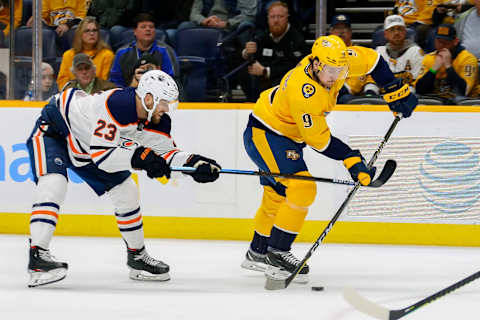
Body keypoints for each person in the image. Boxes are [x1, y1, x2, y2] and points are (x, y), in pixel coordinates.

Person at [240, 35, 417, 283]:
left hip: (285, 136)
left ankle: (258, 252)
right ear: (315, 64)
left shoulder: (339, 61)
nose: (336, 75)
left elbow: (374, 61)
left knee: (277, 195)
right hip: (266, 134)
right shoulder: (304, 91)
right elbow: (320, 141)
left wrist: (393, 89)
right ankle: (277, 253)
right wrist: (351, 158)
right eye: (331, 70)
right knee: (302, 187)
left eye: (340, 69)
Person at [26, 70, 221, 287]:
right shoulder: (118, 104)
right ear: (149, 98)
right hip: (57, 130)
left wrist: (193, 165)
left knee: (127, 191)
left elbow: (167, 156)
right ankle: (38, 256)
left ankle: (137, 256)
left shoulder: (159, 120)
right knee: (54, 184)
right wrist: (140, 158)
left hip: (90, 147)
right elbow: (103, 158)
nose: (167, 109)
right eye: (164, 102)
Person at [239, 1, 308, 102]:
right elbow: (252, 52)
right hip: (264, 80)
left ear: (287, 17)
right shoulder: (263, 36)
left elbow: (294, 67)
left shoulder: (297, 39)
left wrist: (266, 71)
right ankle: (253, 102)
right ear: (267, 19)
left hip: (286, 83)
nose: (276, 20)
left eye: (280, 16)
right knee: (245, 72)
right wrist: (247, 52)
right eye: (272, 17)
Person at [109, 13, 176, 88]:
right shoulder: (121, 53)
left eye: (151, 27)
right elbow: (115, 81)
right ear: (135, 31)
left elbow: (172, 80)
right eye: (143, 27)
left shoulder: (165, 51)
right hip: (129, 93)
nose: (148, 29)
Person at [415, 24, 478, 102]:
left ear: (455, 41)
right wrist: (433, 69)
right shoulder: (429, 58)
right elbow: (419, 90)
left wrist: (448, 67)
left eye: (445, 42)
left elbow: (464, 91)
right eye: (438, 41)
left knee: (459, 99)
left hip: (462, 104)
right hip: (436, 103)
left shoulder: (467, 59)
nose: (441, 45)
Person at [364, 15, 424, 95]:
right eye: (392, 30)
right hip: (380, 99)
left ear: (405, 32)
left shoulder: (416, 52)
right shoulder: (378, 52)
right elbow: (371, 82)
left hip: (407, 97)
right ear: (385, 34)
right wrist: (370, 95)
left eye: (400, 29)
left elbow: (416, 84)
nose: (396, 33)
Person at [57, 16, 115, 89]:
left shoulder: (107, 55)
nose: (91, 33)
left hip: (98, 95)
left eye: (94, 30)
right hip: (73, 95)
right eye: (87, 31)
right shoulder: (68, 55)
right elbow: (62, 81)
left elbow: (105, 81)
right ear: (80, 34)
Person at [328, 14, 370, 104]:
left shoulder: (358, 53)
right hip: (325, 92)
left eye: (344, 28)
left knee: (346, 99)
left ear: (350, 32)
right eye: (337, 28)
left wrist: (336, 90)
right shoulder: (323, 51)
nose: (341, 32)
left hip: (346, 94)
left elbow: (356, 84)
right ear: (331, 32)